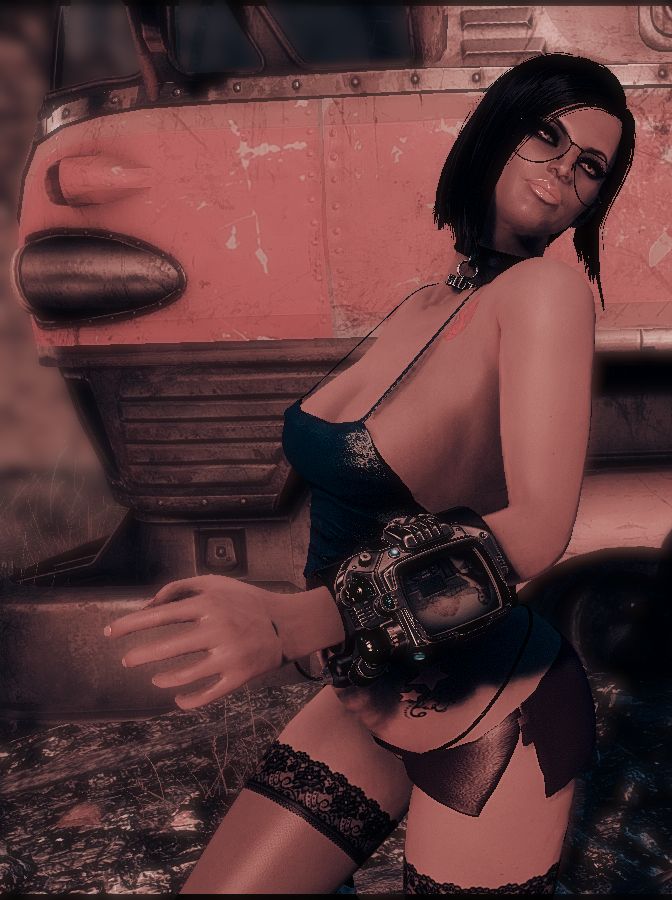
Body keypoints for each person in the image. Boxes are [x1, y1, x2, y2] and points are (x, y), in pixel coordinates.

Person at [101, 52, 636, 893]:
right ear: (499, 127)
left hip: (493, 714)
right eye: (548, 136)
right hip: (367, 694)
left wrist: (291, 624)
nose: (563, 171)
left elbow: (536, 531)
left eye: (591, 167)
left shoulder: (545, 295)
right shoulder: (427, 303)